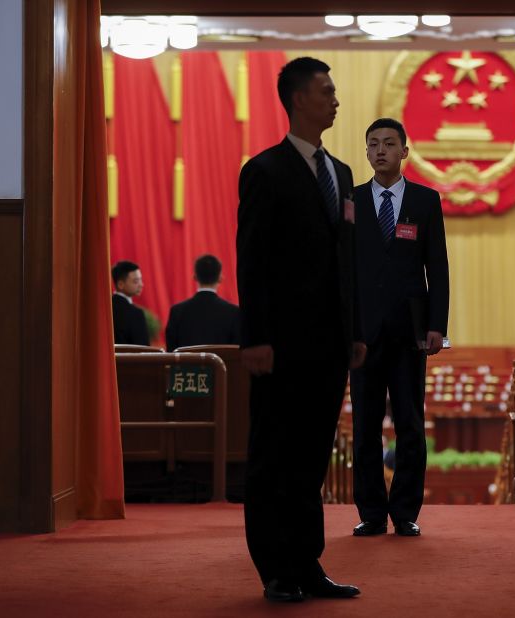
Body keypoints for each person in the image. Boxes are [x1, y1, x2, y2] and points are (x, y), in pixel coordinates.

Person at [236, 56, 366, 603]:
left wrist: (354, 332)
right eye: (327, 91)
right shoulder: (264, 170)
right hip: (280, 344)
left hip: (330, 343)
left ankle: (308, 562)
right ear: (297, 100)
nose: (335, 99)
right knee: (275, 454)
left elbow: (348, 261)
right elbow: (252, 260)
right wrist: (256, 338)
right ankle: (275, 568)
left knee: (312, 456)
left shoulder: (341, 173)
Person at [350, 118, 450, 539]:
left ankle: (406, 511)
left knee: (410, 423)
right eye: (373, 144)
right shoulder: (350, 201)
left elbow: (437, 267)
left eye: (389, 144)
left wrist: (436, 326)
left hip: (410, 332)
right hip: (362, 335)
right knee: (365, 426)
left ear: (405, 151)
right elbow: (342, 269)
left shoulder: (426, 201)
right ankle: (372, 512)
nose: (380, 151)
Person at [165, 254, 240, 351]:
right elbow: (236, 353)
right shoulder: (234, 312)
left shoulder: (177, 311)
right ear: (220, 278)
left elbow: (171, 352)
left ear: (195, 277)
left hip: (185, 366)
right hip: (222, 366)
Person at [111, 260, 150, 346]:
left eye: (140, 280)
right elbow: (144, 351)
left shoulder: (106, 308)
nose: (141, 284)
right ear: (120, 284)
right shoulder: (136, 313)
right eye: (136, 281)